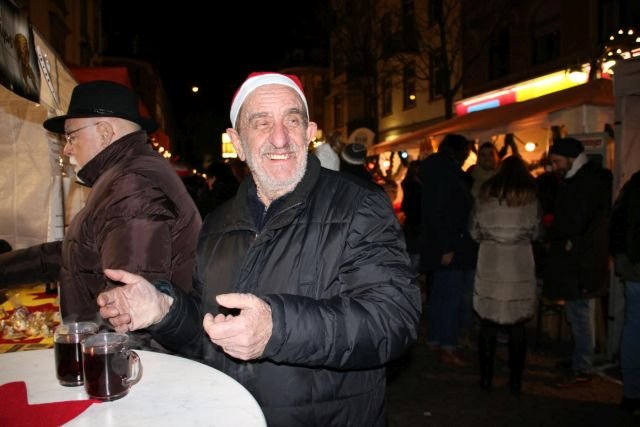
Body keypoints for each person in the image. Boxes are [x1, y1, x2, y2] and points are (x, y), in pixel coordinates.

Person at [96, 72, 421, 426]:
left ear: (309, 134)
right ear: (237, 141)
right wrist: (165, 310)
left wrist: (276, 329)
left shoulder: (358, 205)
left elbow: (393, 321)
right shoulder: (218, 224)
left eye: (292, 121)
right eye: (261, 123)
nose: (279, 138)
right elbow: (210, 336)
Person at [0, 81, 201, 349]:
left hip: (134, 369)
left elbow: (128, 311)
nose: (67, 149)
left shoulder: (132, 185)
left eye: (71, 137)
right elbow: (76, 252)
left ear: (105, 132)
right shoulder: (124, 178)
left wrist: (103, 368)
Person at [543, 137, 612, 387]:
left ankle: (583, 365)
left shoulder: (585, 183)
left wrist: (554, 233)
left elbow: (575, 221)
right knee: (577, 311)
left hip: (583, 260)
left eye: (556, 161)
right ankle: (579, 358)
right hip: (580, 259)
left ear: (571, 158)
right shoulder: (583, 180)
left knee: (581, 312)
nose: (553, 166)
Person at [469, 155, 542, 394]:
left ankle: (485, 378)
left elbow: (474, 231)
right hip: (519, 263)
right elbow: (536, 232)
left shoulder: (484, 197)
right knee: (518, 326)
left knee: (487, 324)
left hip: (491, 261)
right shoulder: (531, 199)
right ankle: (515, 381)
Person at [419, 133, 478, 366]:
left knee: (441, 295)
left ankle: (436, 339)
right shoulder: (446, 173)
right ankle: (447, 344)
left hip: (444, 244)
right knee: (449, 297)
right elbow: (442, 211)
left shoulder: (437, 170)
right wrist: (448, 246)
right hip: (451, 245)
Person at [610, 170, 640, 415]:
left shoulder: (633, 185)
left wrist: (622, 258)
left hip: (634, 267)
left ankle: (631, 393)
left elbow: (617, 222)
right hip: (634, 266)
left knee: (633, 328)